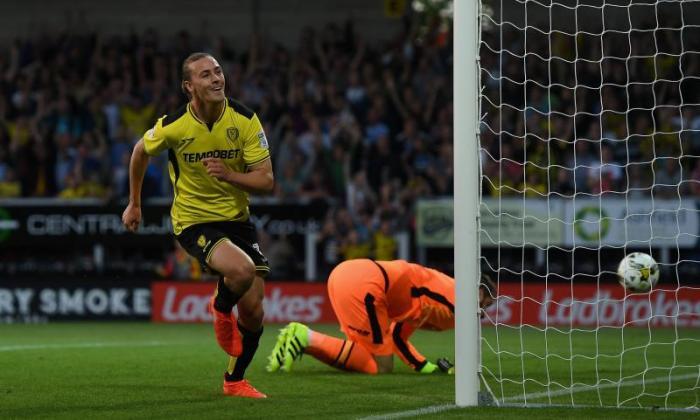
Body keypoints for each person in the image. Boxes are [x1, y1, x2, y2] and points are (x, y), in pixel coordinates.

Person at [122, 52, 274, 398]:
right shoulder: (174, 124)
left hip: (237, 220)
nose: (216, 79)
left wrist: (230, 175)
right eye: (206, 75)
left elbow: (266, 181)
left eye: (218, 72)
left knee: (253, 311)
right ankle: (220, 308)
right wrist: (135, 203)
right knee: (241, 271)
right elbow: (139, 152)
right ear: (189, 86)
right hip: (193, 220)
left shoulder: (246, 120)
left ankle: (234, 381)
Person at [266, 259, 495, 375]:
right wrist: (465, 370)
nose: (485, 310)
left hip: (348, 275)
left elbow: (397, 338)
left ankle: (302, 341)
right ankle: (305, 337)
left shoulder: (428, 304)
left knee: (367, 355)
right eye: (487, 302)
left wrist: (427, 367)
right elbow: (464, 317)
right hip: (367, 284)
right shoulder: (454, 290)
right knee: (380, 366)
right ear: (479, 291)